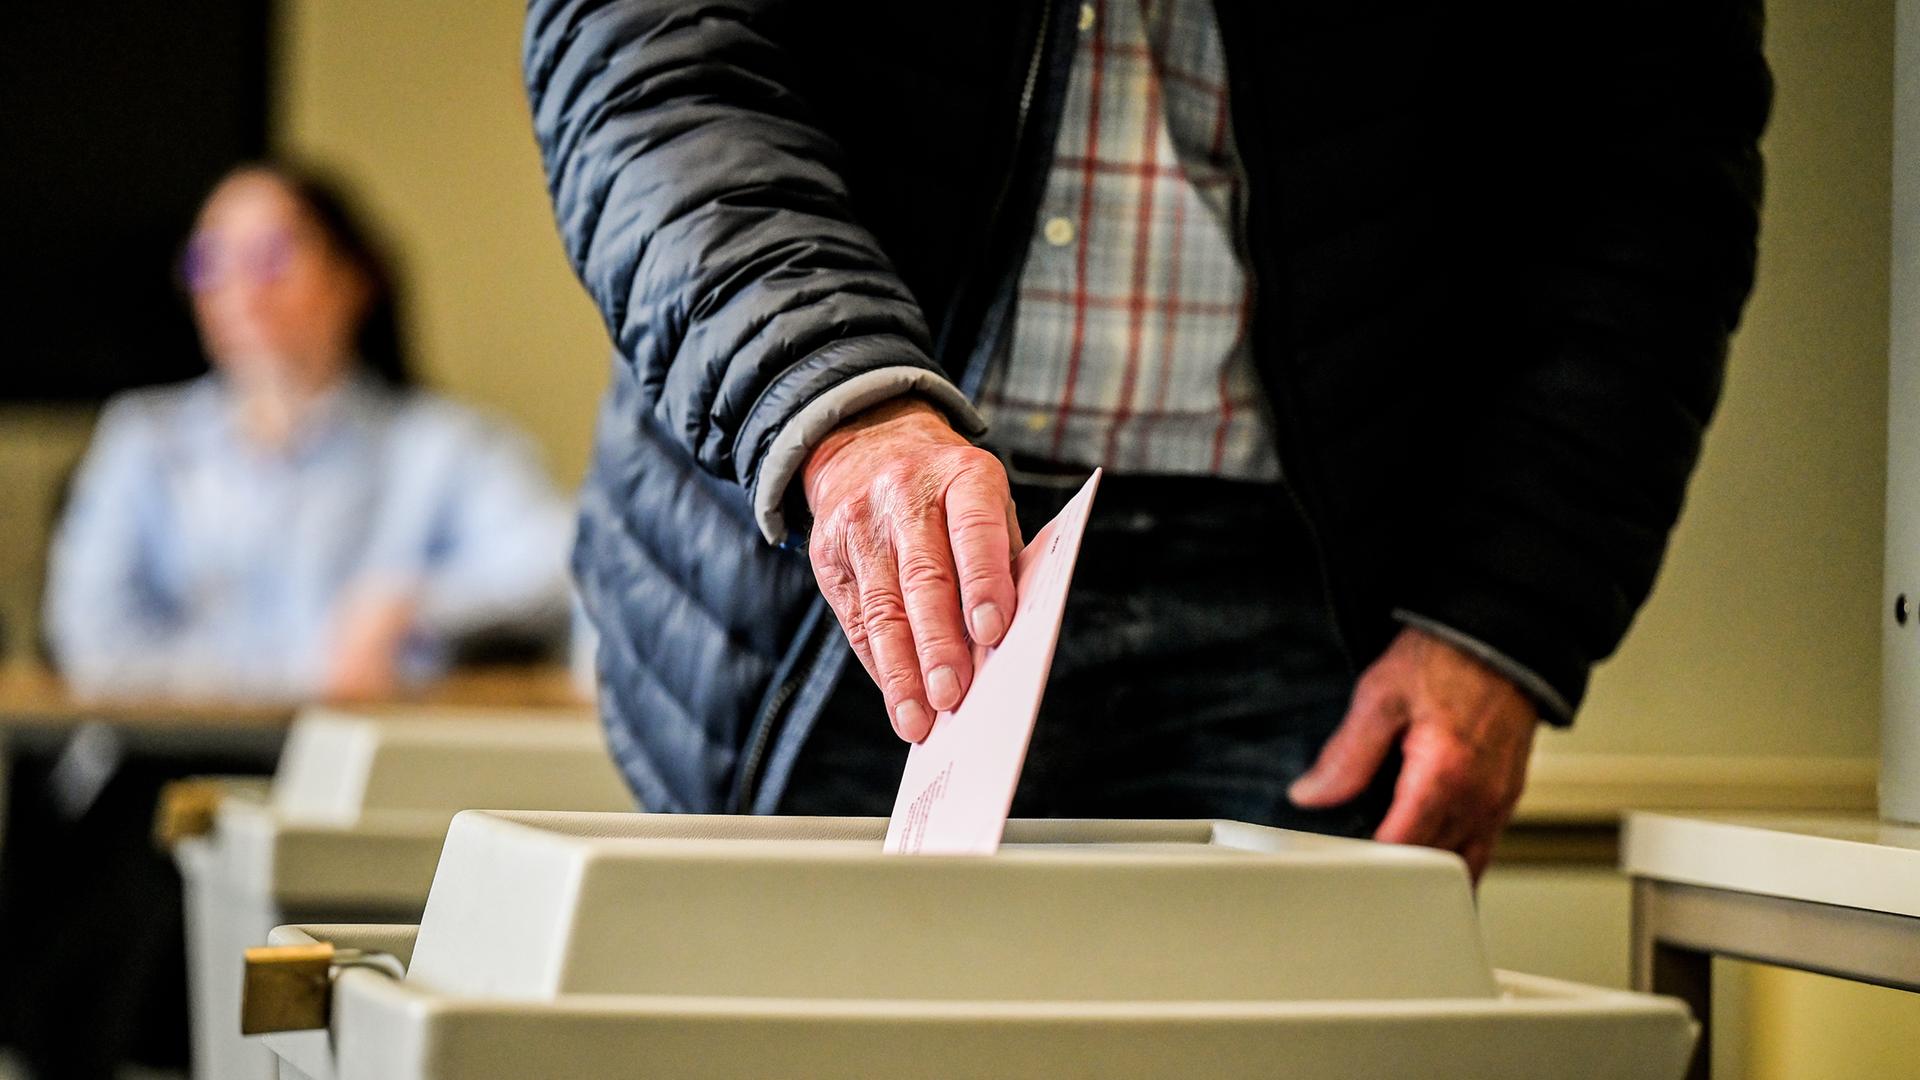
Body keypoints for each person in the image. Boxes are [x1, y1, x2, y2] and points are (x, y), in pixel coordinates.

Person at [523, 0, 1770, 876]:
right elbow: (648, 52)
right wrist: (833, 390)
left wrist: (1505, 614)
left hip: (1316, 602)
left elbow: (1653, 153)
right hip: (836, 566)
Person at [44, 162, 575, 701]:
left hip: (376, 761)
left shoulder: (443, 446)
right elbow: (93, 641)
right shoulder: (143, 440)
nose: (240, 290)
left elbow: (561, 564)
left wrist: (416, 607)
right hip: (181, 757)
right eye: (209, 263)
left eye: (271, 258)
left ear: (353, 278)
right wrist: (294, 680)